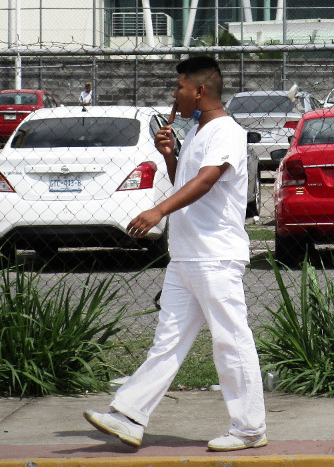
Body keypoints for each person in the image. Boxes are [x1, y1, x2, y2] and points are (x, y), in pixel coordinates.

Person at [83, 56, 267, 452]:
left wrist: (157, 210)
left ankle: (250, 428)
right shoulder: (199, 131)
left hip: (215, 255)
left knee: (230, 340)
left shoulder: (225, 131)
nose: (174, 94)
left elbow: (205, 182)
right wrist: (169, 154)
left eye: (179, 86)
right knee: (167, 341)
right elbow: (187, 177)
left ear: (200, 91)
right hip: (187, 256)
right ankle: (129, 416)